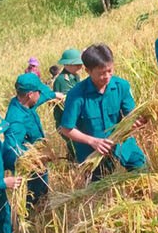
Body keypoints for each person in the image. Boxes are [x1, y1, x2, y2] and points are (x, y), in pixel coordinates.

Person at [58, 43, 147, 179]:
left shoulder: (121, 86)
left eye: (110, 71)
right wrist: (93, 141)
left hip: (121, 143)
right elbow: (66, 129)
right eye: (101, 73)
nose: (107, 76)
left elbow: (131, 114)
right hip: (93, 152)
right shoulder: (76, 94)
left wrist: (135, 123)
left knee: (141, 170)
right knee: (100, 188)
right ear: (88, 71)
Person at [2, 72, 58, 207]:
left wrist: (55, 95)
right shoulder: (16, 120)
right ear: (30, 94)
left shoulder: (25, 103)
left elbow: (43, 95)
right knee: (35, 200)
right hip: (31, 172)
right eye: (38, 91)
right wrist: (35, 157)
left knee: (44, 194)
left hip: (40, 166)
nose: (40, 94)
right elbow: (11, 151)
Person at [51, 48, 84, 161]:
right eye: (77, 64)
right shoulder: (61, 80)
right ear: (68, 64)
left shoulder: (75, 77)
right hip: (66, 121)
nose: (80, 65)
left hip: (76, 119)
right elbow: (64, 103)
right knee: (75, 146)